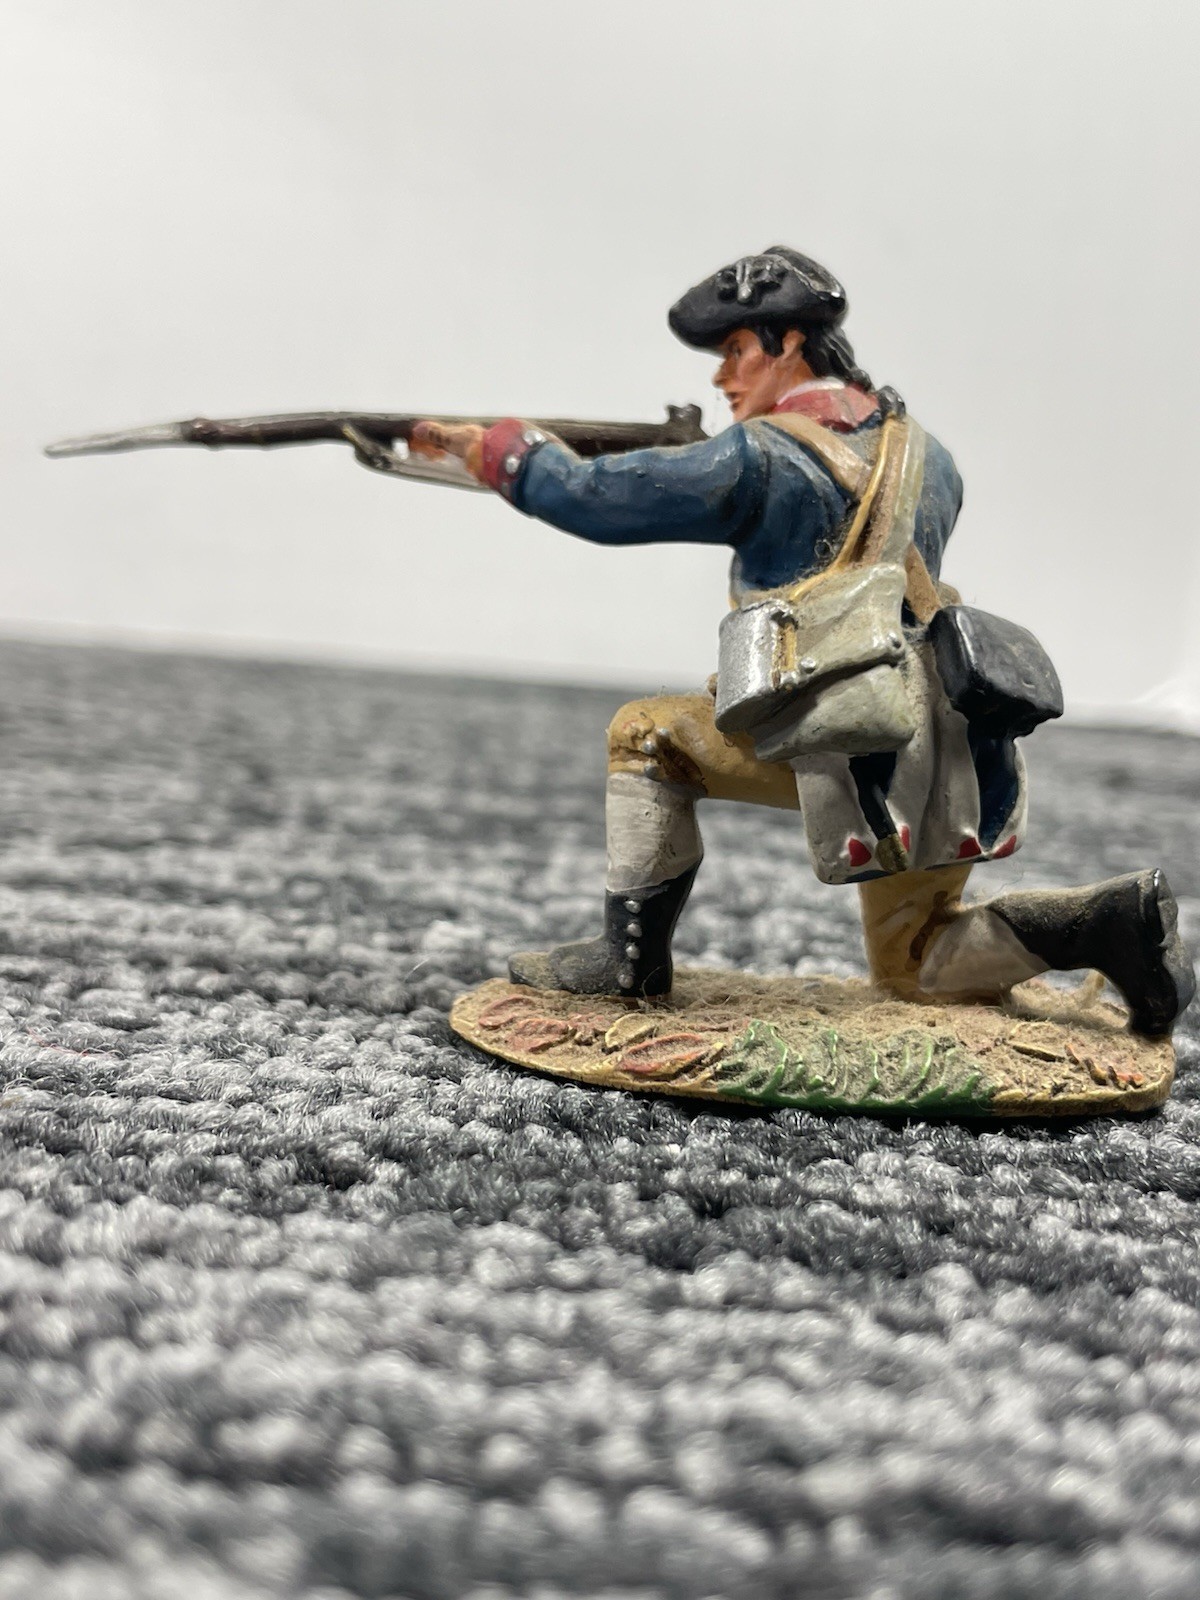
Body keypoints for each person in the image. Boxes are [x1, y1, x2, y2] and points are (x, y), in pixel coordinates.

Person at [356, 246, 1194, 1037]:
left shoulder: (756, 457)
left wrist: (503, 453)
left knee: (645, 735)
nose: (721, 375)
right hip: (948, 745)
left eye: (735, 351)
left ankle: (628, 961)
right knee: (918, 962)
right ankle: (1108, 923)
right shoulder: (932, 456)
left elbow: (597, 499)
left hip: (842, 732)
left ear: (789, 342)